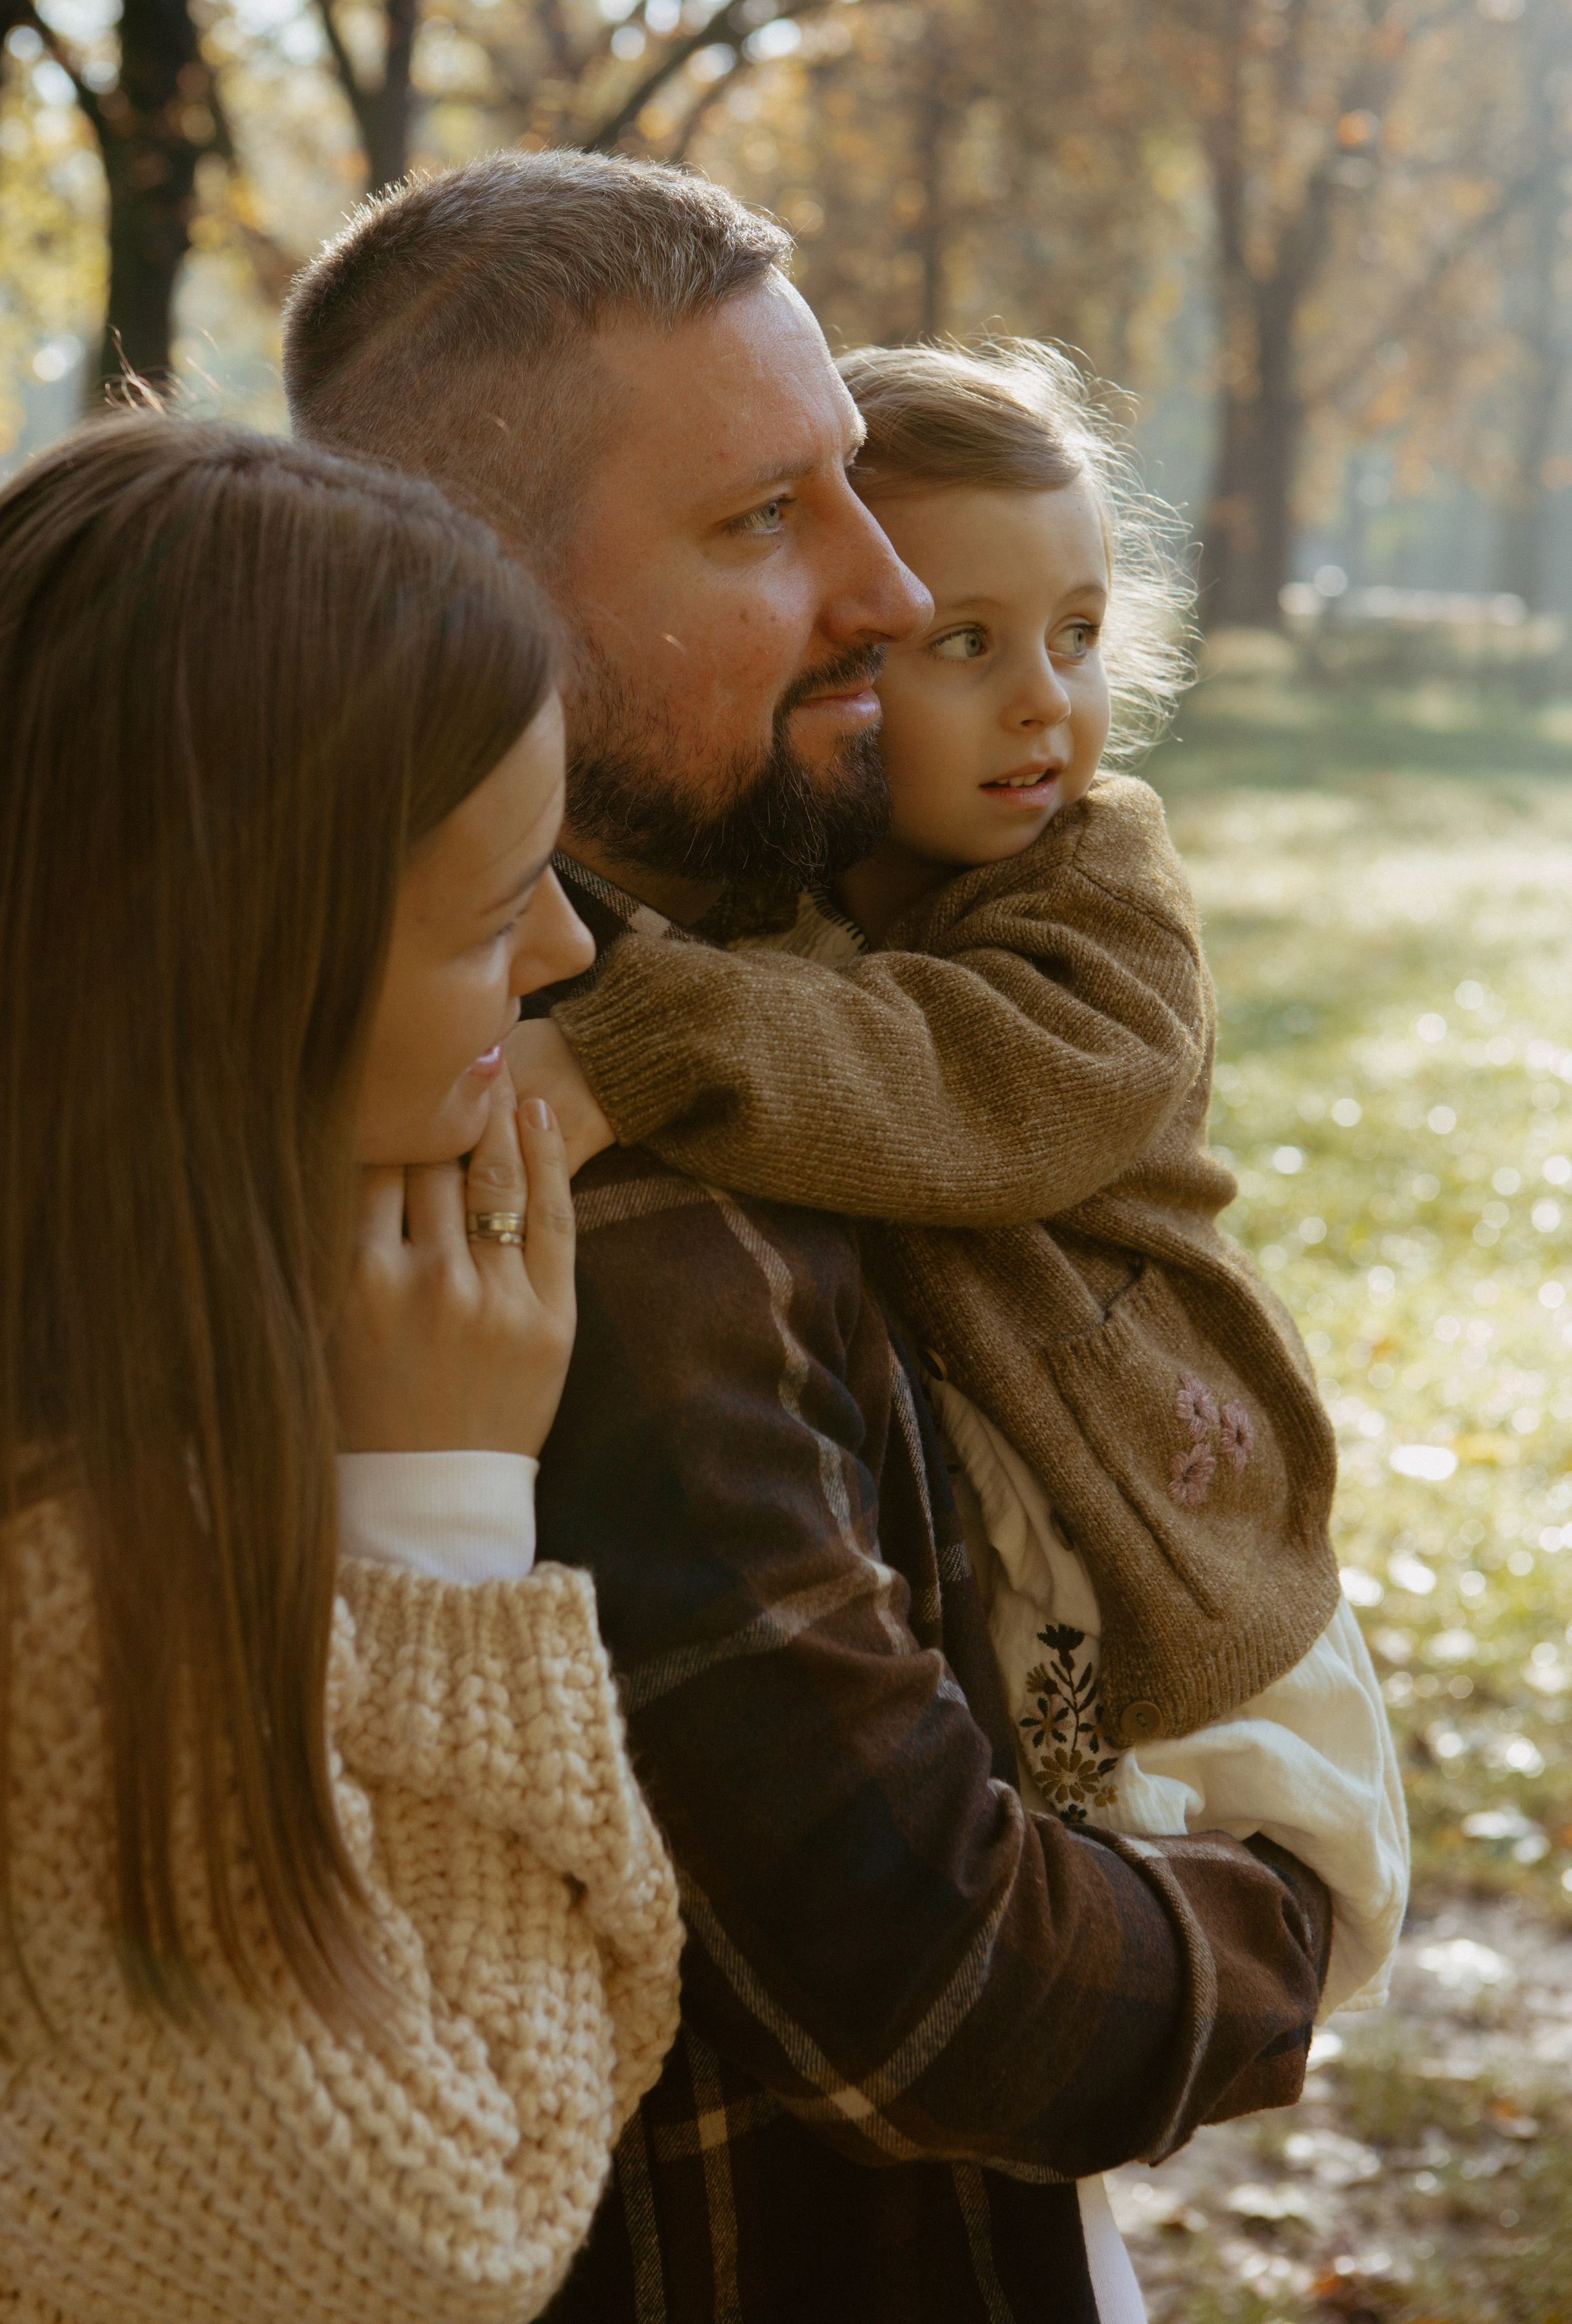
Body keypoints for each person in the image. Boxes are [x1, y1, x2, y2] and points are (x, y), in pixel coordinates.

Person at [284, 150, 1336, 2324]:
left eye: (855, 486)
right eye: (767, 521)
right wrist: (1286, 1923)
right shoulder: (615, 1205)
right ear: (469, 577)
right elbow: (955, 1995)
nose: (880, 589)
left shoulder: (779, 948)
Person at [0, 417, 682, 2323]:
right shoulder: (46, 1598)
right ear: (228, 974)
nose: (561, 954)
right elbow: (430, 2247)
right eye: (493, 916)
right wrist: (449, 1536)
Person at [517, 337, 1409, 2027]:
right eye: (964, 645)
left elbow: (973, 1078)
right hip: (977, 1525)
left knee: (1187, 1853)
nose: (1041, 703)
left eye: (1074, 636)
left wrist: (638, 1041)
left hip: (1151, 1525)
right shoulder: (793, 877)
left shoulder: (1099, 882)